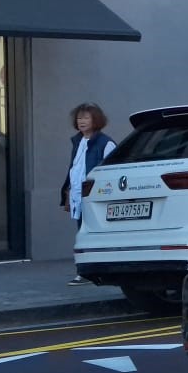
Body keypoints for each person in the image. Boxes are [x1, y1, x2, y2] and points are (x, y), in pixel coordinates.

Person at [62, 103, 117, 284]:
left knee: (93, 233)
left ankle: (91, 271)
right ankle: (86, 271)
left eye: (86, 118)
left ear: (96, 120)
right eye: (79, 118)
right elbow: (74, 170)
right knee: (82, 232)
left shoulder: (105, 143)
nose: (81, 121)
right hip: (78, 196)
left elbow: (111, 171)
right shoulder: (78, 142)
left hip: (95, 197)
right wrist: (67, 191)